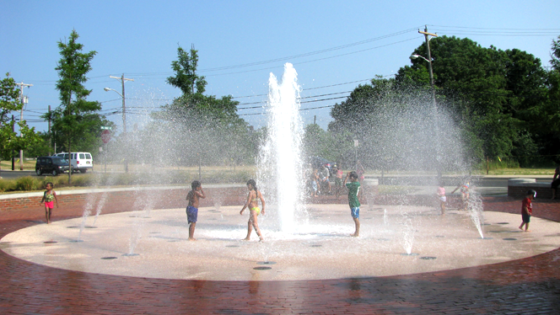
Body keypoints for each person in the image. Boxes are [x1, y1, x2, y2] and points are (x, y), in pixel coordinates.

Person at [343, 171, 361, 237]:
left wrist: (346, 176)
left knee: (355, 218)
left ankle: (357, 233)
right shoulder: (357, 183)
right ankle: (356, 232)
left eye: (350, 178)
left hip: (354, 203)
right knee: (356, 218)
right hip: (355, 203)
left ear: (352, 178)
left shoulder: (354, 184)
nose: (350, 179)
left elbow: (344, 184)